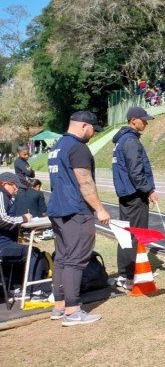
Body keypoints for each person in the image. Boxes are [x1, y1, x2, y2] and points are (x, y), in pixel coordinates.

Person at [48, 110, 110, 326]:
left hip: (57, 209)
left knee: (62, 259)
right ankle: (73, 311)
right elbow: (85, 182)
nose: (93, 134)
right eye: (93, 129)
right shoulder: (78, 147)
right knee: (75, 260)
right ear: (84, 126)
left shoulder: (57, 146)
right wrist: (100, 209)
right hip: (75, 210)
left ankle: (60, 306)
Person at [111, 106, 158, 291]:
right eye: (143, 119)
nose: (146, 122)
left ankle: (125, 274)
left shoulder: (122, 140)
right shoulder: (130, 142)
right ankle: (131, 275)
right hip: (135, 195)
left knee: (125, 235)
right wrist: (148, 190)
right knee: (135, 235)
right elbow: (136, 171)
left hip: (126, 195)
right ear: (133, 120)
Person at [0, 173, 33, 294]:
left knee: (21, 251)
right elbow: (2, 219)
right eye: (14, 186)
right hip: (3, 245)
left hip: (6, 242)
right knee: (32, 253)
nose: (16, 189)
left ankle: (15, 286)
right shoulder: (1, 194)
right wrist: (23, 218)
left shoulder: (6, 197)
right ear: (4, 184)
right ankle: (34, 290)